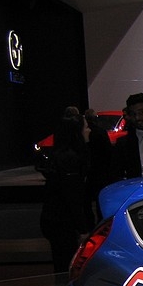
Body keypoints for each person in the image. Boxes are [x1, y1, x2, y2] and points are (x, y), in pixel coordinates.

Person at [40, 112, 91, 274]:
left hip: (55, 220)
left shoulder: (59, 156)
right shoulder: (70, 159)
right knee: (67, 267)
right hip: (62, 223)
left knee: (62, 264)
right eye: (86, 127)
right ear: (76, 133)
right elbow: (72, 198)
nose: (89, 130)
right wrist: (83, 229)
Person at [82, 108, 113, 221]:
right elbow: (108, 151)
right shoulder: (100, 132)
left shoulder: (83, 134)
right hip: (100, 170)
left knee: (87, 201)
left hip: (90, 171)